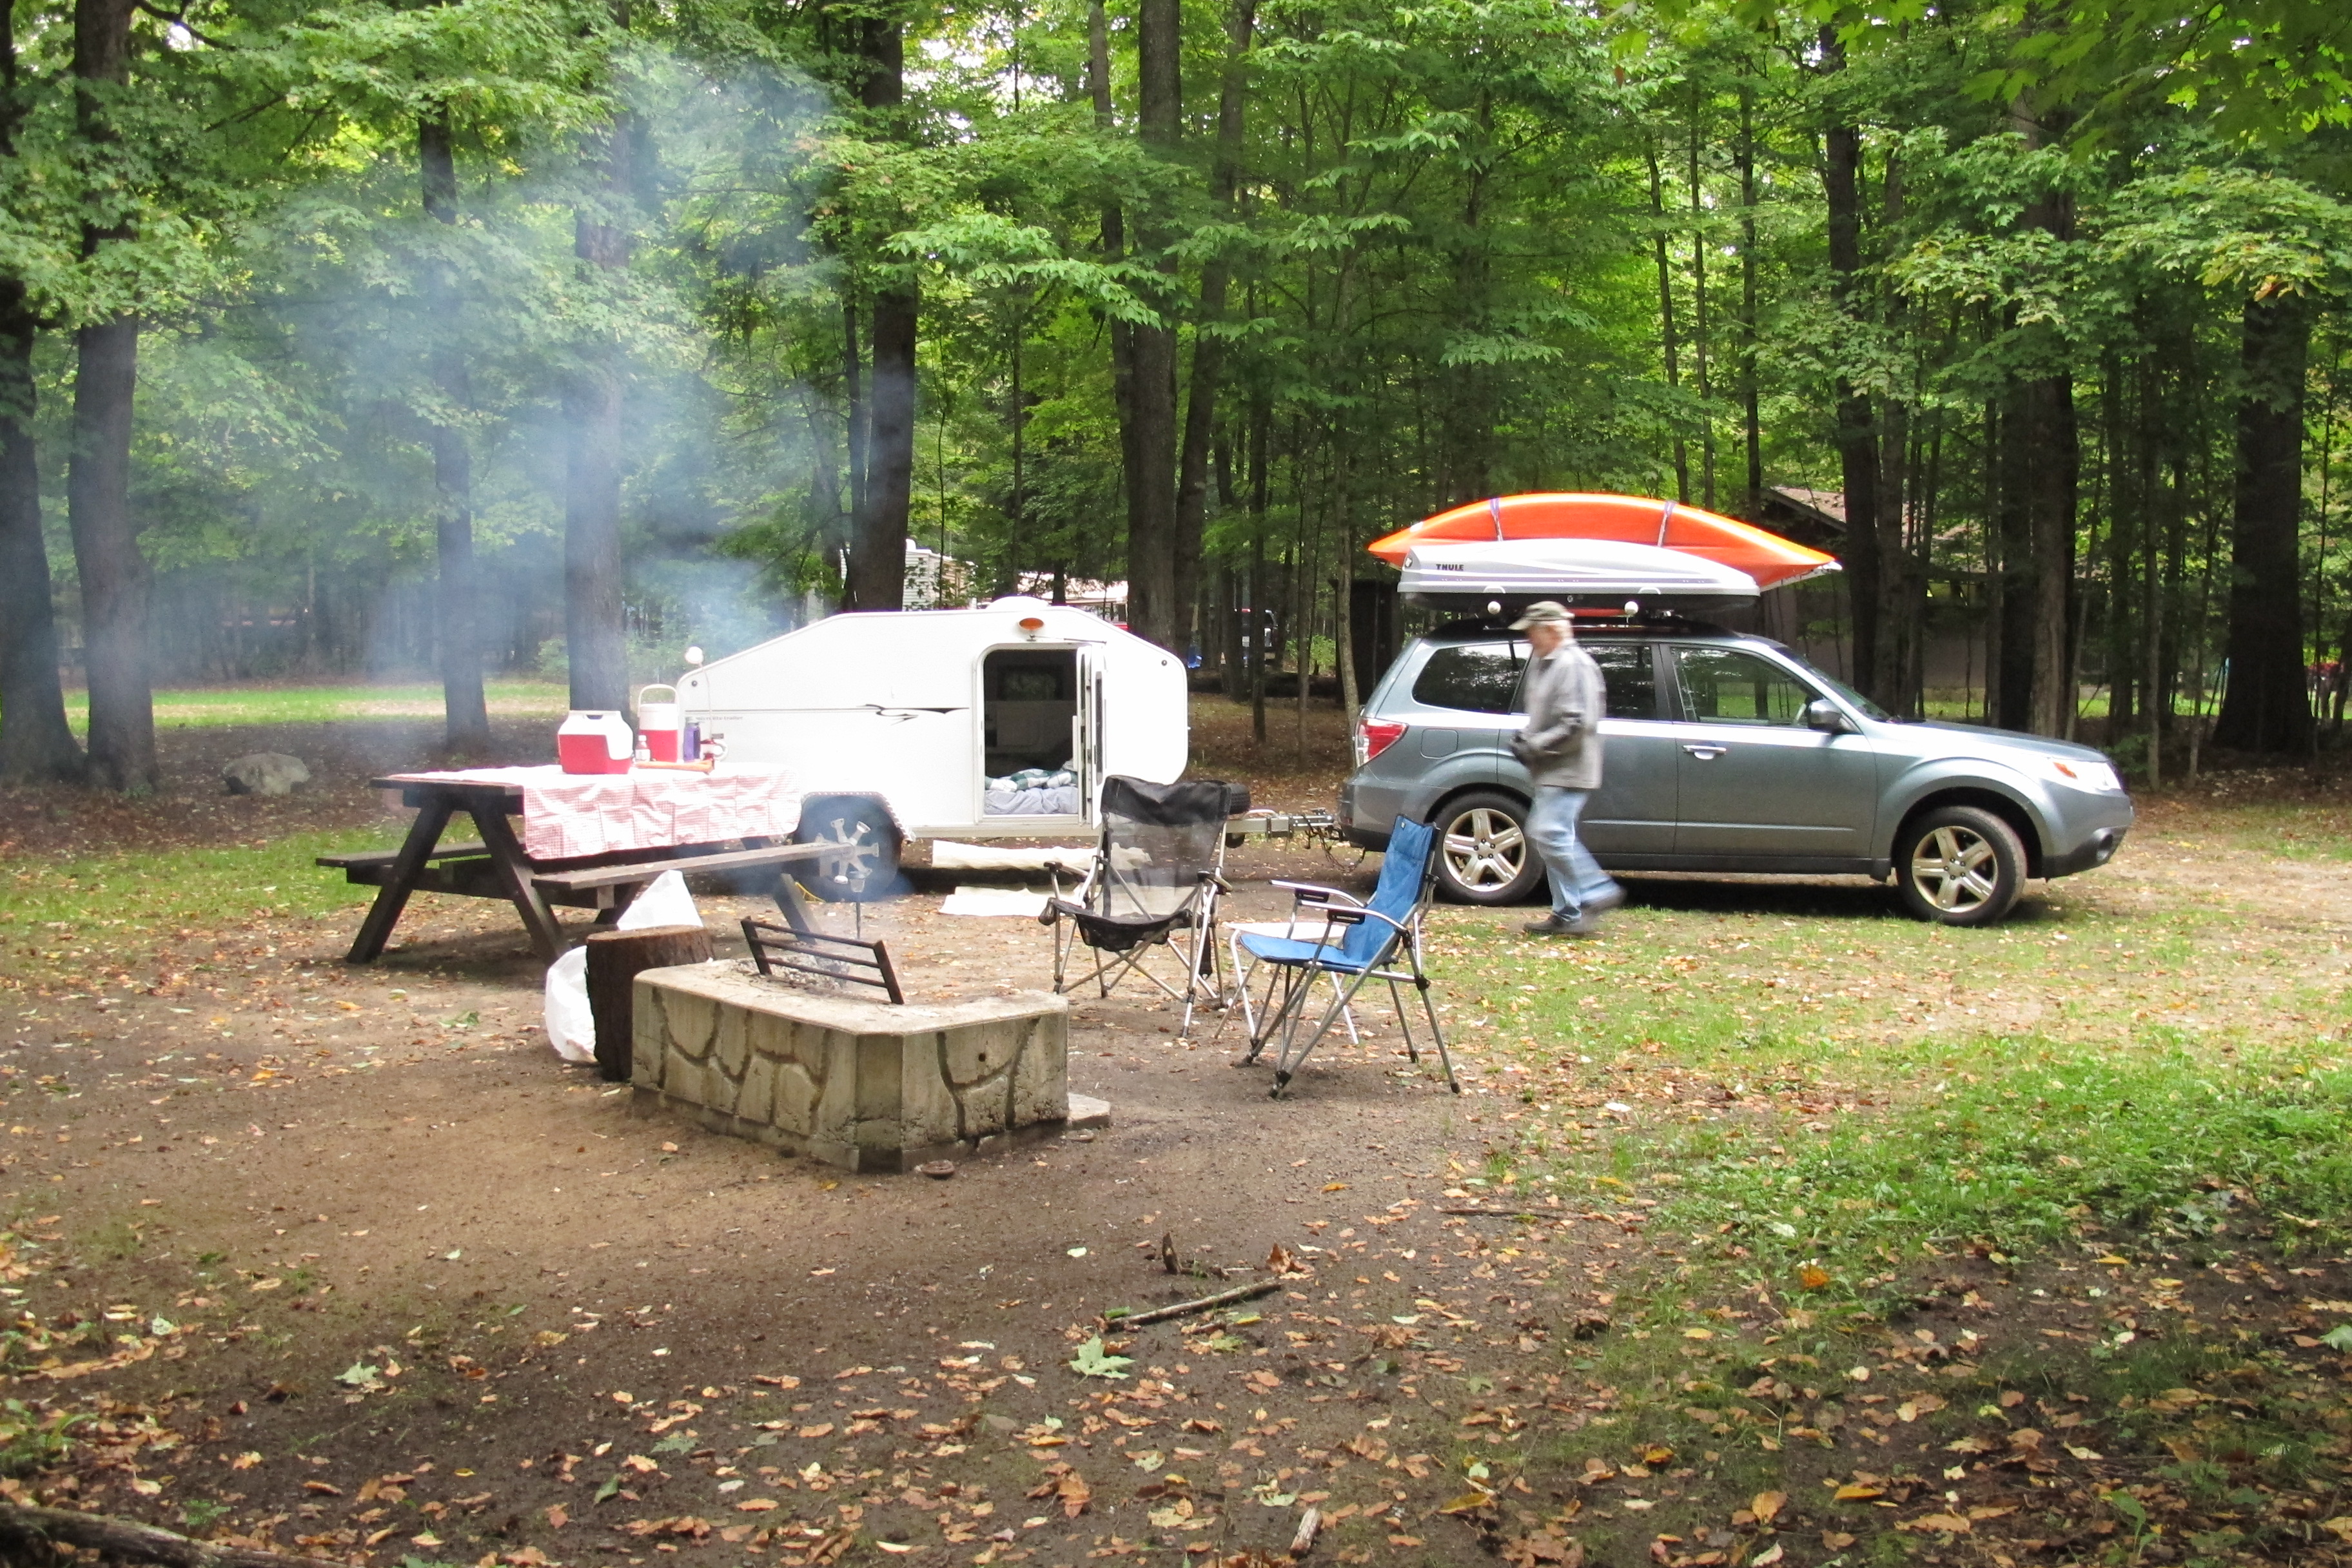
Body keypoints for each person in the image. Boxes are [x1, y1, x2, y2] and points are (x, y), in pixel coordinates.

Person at [1509, 601, 1624, 937]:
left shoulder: (1574, 665)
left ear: (1552, 630)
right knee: (1554, 836)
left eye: (1533, 631)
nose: (1529, 637)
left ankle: (1598, 891)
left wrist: (1536, 744)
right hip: (1550, 767)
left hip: (1570, 767)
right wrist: (1528, 737)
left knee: (1548, 832)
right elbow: (1552, 714)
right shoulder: (1547, 663)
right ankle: (1568, 914)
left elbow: (1577, 723)